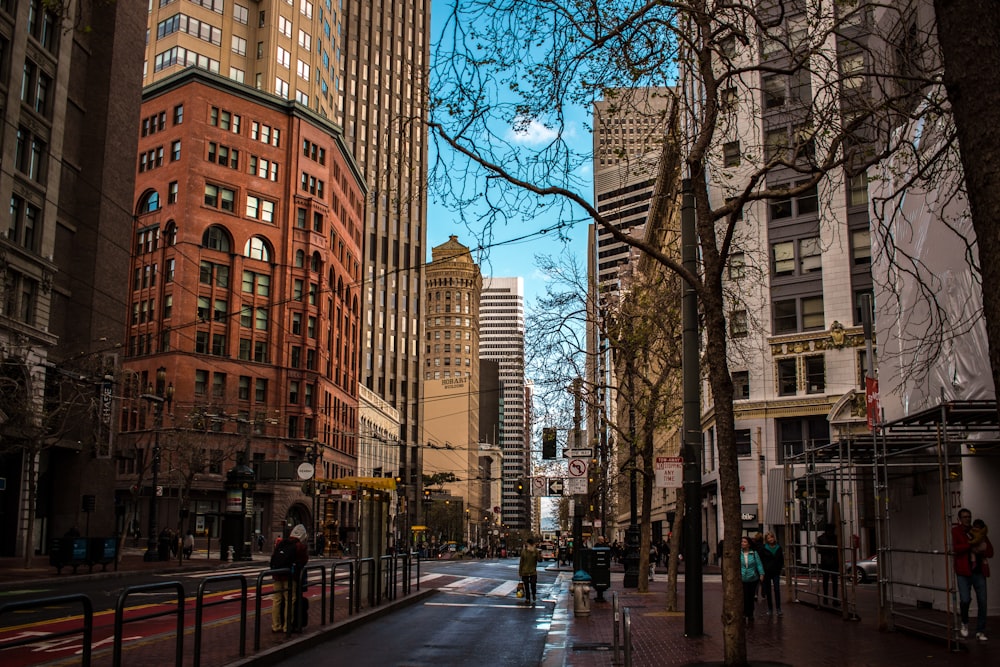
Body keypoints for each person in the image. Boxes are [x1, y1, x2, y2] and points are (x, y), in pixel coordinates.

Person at [952, 508, 993, 641]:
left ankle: (980, 631)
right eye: (964, 517)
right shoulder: (956, 531)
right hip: (963, 572)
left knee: (983, 601)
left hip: (978, 572)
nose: (967, 519)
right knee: (965, 599)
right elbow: (956, 548)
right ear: (959, 519)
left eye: (969, 516)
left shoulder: (977, 531)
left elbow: (990, 550)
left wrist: (981, 549)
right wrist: (970, 545)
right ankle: (964, 622)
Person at [271, 524, 310, 633]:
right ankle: (287, 626)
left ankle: (275, 625)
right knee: (290, 600)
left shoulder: (282, 543)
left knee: (277, 600)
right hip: (290, 576)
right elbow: (304, 560)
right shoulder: (299, 546)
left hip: (277, 575)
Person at [740, 536, 765, 626]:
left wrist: (761, 574)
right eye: (742, 542)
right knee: (744, 597)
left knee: (751, 597)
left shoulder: (754, 553)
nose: (742, 543)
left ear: (749, 544)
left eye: (744, 542)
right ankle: (744, 613)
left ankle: (750, 613)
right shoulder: (739, 554)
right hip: (743, 578)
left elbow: (758, 564)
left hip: (752, 578)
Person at [759, 532, 784, 616]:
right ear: (766, 539)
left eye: (772, 537)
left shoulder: (778, 548)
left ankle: (778, 608)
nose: (770, 539)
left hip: (776, 571)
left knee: (777, 589)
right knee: (768, 591)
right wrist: (762, 571)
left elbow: (781, 559)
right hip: (767, 572)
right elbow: (761, 560)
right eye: (769, 538)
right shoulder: (764, 548)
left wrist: (779, 568)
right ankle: (770, 609)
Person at [817, 525, 840, 607]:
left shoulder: (821, 538)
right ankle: (833, 599)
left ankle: (826, 598)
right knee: (833, 581)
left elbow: (819, 550)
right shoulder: (836, 538)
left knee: (826, 581)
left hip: (826, 561)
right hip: (832, 561)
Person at [518, 538, 540, 607]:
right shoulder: (523, 552)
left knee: (533, 584)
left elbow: (540, 560)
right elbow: (521, 562)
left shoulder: (535, 551)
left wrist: (538, 554)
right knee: (526, 585)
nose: (528, 546)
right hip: (525, 571)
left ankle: (533, 594)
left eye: (529, 544)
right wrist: (520, 571)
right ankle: (527, 598)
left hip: (533, 572)